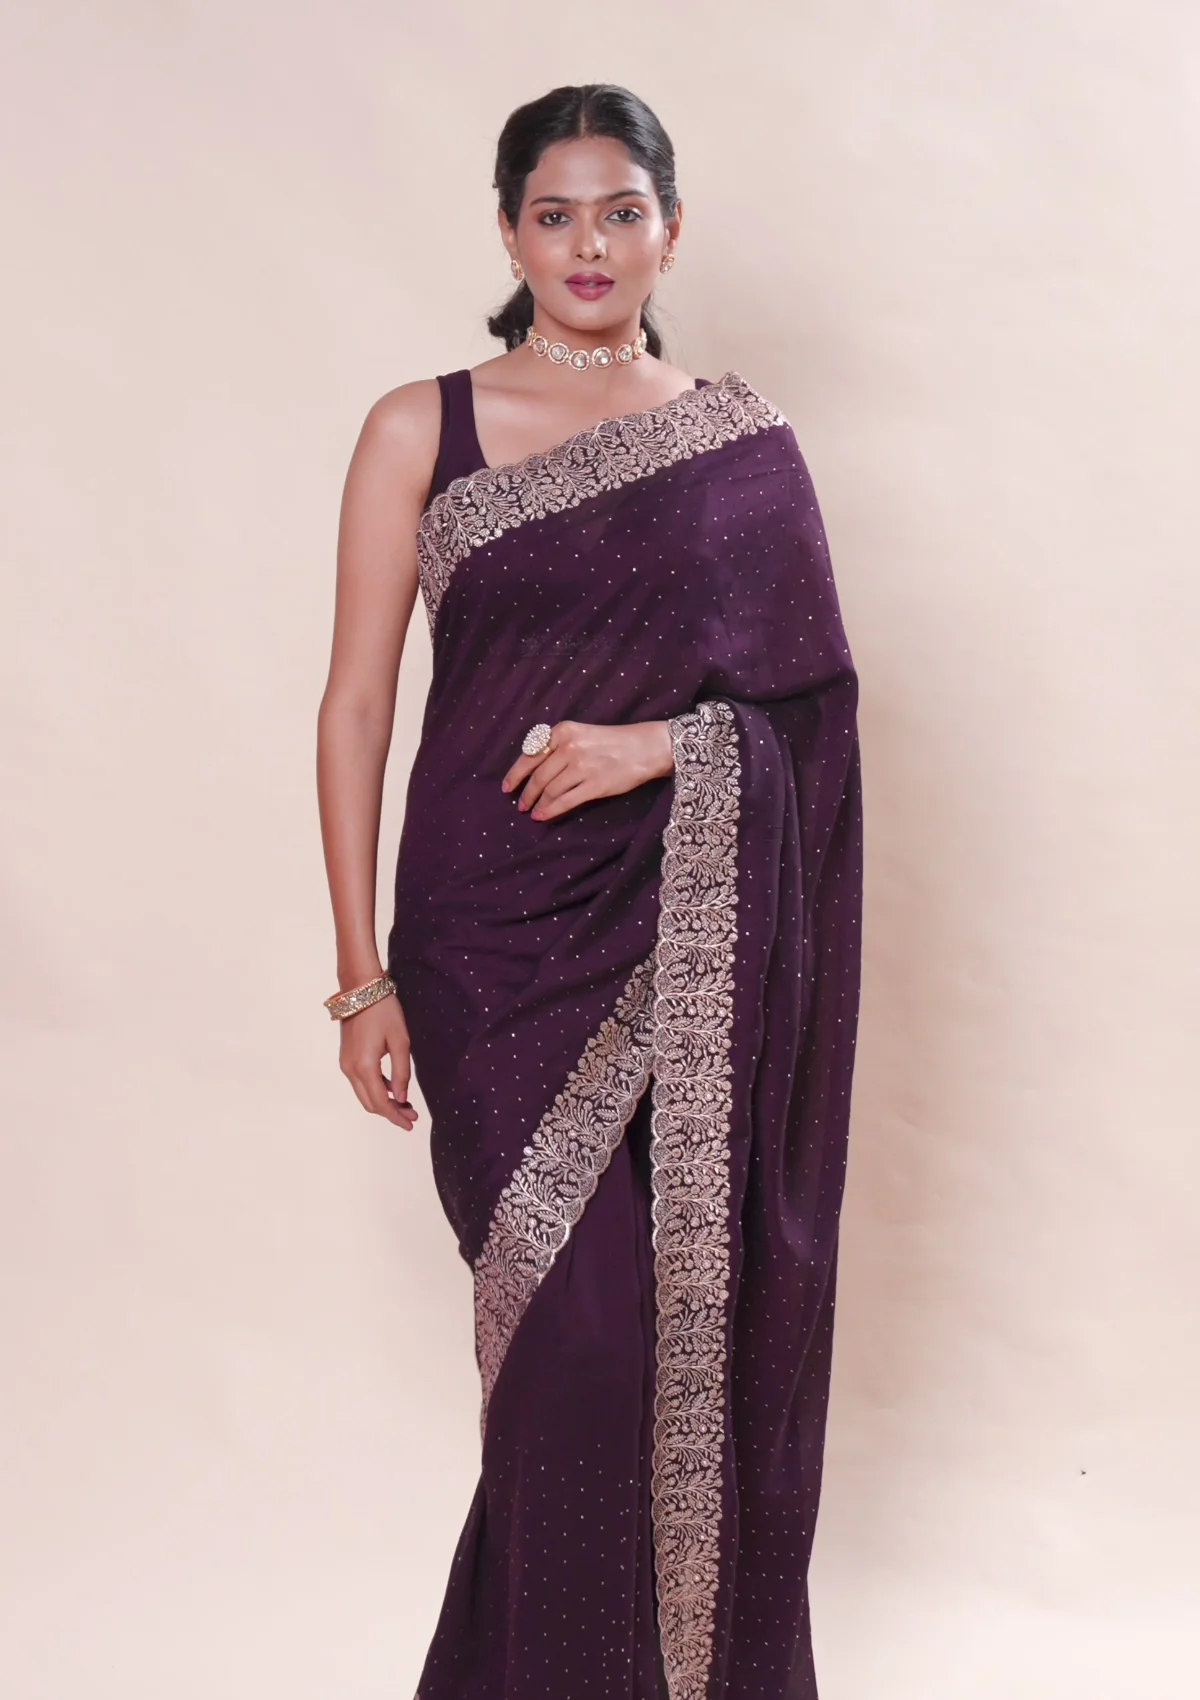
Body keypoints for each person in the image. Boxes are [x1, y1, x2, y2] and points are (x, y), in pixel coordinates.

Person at [316, 81, 862, 1700]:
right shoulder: (420, 427)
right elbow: (358, 704)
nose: (590, 245)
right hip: (484, 950)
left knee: (669, 1343)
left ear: (670, 231)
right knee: (576, 1353)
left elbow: (811, 718)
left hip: (676, 928)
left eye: (622, 211)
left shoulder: (740, 445)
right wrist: (361, 978)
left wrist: (664, 748)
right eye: (554, 214)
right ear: (508, 233)